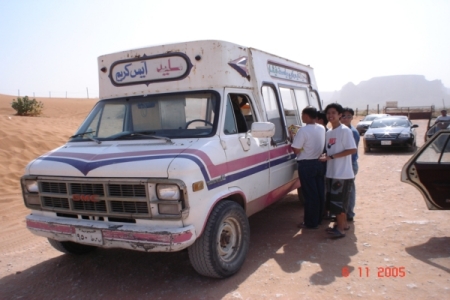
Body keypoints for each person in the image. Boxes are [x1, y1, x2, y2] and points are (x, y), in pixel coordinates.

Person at [319, 103, 357, 238]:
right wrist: (326, 156)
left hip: (343, 174)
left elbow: (352, 149)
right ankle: (344, 225)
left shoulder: (345, 130)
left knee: (339, 203)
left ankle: (340, 230)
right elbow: (331, 150)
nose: (331, 115)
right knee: (334, 202)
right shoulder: (329, 132)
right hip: (332, 172)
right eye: (328, 113)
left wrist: (332, 156)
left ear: (340, 115)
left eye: (334, 113)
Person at [291, 106, 325, 229]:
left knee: (310, 195)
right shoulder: (321, 128)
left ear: (306, 116)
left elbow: (296, 150)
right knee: (319, 192)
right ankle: (319, 218)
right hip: (319, 162)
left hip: (306, 164)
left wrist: (293, 137)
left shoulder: (303, 131)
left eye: (302, 114)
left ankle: (310, 222)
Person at [340, 107, 360, 222]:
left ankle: (349, 213)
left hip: (350, 164)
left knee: (349, 190)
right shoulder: (342, 130)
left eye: (349, 116)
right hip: (347, 163)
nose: (346, 118)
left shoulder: (351, 132)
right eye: (344, 116)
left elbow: (351, 151)